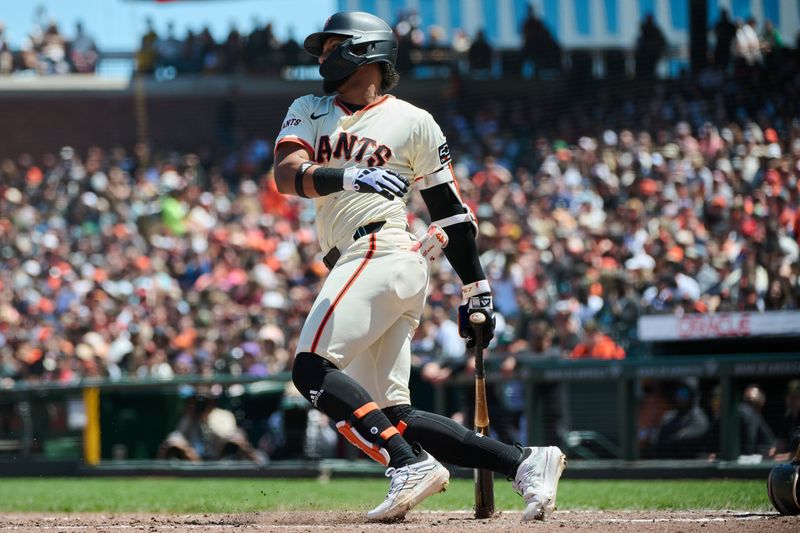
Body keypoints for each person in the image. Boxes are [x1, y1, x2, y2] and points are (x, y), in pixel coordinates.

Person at [273, 11, 565, 523]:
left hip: (383, 252)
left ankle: (408, 468)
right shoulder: (310, 107)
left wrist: (476, 286)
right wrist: (349, 175)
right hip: (366, 265)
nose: (322, 57)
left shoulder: (414, 120)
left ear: (365, 51)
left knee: (310, 368)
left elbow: (450, 211)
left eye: (331, 46)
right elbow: (286, 175)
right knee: (392, 416)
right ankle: (524, 462)